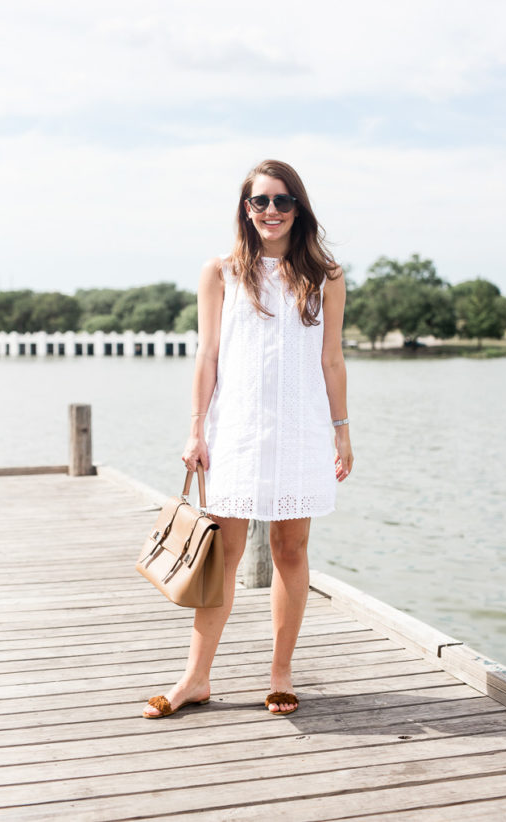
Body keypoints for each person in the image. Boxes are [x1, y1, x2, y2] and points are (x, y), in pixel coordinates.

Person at [143, 159, 353, 718]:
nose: (272, 211)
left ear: (298, 209)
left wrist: (342, 431)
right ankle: (195, 678)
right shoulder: (221, 273)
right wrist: (195, 427)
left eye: (283, 201)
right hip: (234, 431)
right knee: (224, 554)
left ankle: (281, 673)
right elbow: (207, 356)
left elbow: (332, 359)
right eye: (261, 201)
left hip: (302, 432)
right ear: (246, 208)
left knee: (290, 549)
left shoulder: (326, 277)